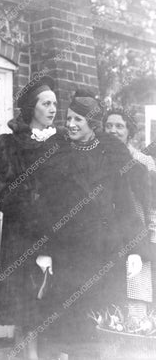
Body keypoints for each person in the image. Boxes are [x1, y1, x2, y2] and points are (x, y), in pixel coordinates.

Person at [41, 91, 147, 354]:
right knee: (72, 330)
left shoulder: (110, 152)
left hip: (106, 251)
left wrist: (135, 248)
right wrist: (44, 250)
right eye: (69, 118)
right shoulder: (57, 151)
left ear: (92, 123)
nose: (72, 124)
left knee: (104, 329)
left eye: (79, 119)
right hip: (68, 252)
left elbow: (124, 203)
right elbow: (44, 206)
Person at [0, 76, 59, 360]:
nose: (53, 109)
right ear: (33, 108)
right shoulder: (9, 144)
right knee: (25, 309)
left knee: (54, 304)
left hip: (57, 234)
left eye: (55, 103)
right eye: (46, 103)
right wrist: (35, 207)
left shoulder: (61, 143)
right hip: (22, 237)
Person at [104, 109, 156, 312]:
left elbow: (151, 202)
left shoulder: (143, 161)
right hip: (108, 232)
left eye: (119, 126)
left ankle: (136, 329)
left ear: (129, 131)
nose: (113, 130)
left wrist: (150, 232)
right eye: (109, 126)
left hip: (136, 231)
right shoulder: (99, 157)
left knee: (137, 283)